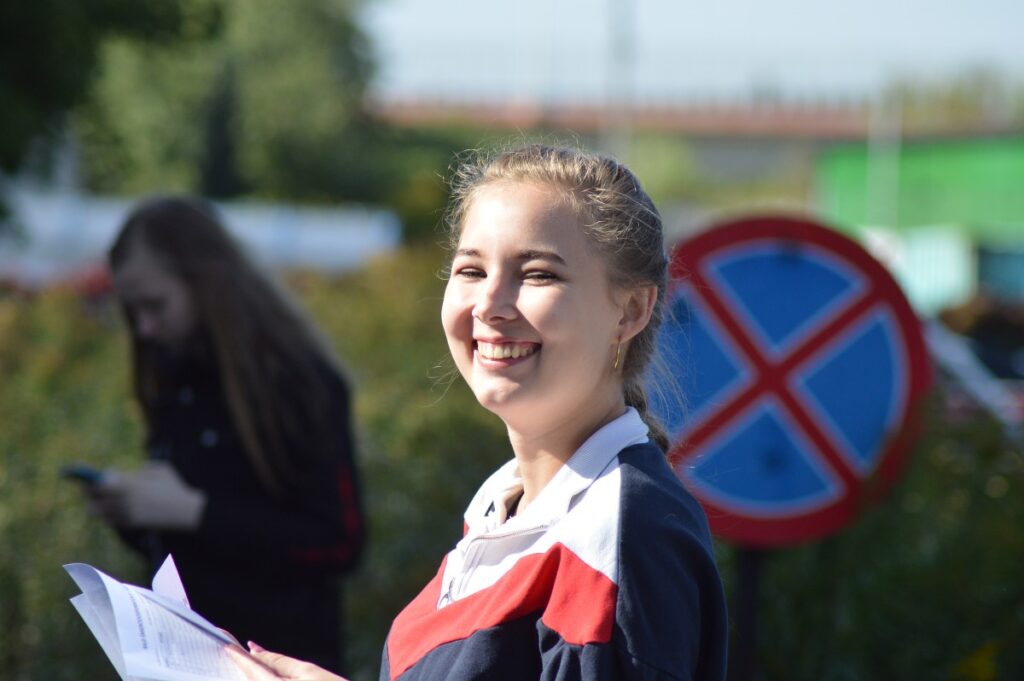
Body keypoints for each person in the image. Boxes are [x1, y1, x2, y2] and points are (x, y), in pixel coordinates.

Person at [230, 144, 728, 680]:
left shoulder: (619, 537)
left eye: (537, 274)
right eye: (471, 269)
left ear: (630, 310)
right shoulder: (504, 504)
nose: (489, 304)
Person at [85, 196, 365, 673]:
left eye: (155, 305)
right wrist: (137, 513)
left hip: (279, 662)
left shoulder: (299, 385)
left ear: (206, 283)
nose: (145, 328)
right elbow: (197, 554)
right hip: (184, 662)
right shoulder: (177, 379)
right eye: (133, 312)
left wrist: (192, 511)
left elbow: (338, 542)